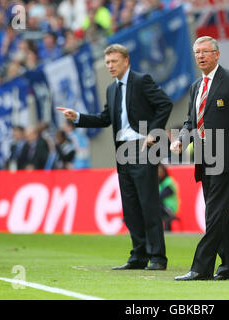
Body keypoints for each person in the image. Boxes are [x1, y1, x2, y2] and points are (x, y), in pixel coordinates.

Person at [57, 43, 173, 271]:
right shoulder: (112, 89)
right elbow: (104, 118)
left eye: (114, 61)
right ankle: (138, 256)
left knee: (148, 204)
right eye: (107, 62)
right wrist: (78, 117)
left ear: (126, 61)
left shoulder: (142, 81)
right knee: (130, 207)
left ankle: (158, 258)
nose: (110, 66)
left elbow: (165, 104)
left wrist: (153, 132)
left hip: (143, 147)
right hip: (123, 151)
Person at [170, 36, 229, 281]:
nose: (200, 56)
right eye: (197, 52)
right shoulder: (196, 86)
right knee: (219, 213)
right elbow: (191, 120)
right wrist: (181, 139)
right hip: (204, 157)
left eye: (205, 51)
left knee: (215, 213)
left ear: (217, 54)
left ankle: (201, 268)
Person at [158, 163, 179, 231]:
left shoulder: (169, 181)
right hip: (162, 206)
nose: (159, 173)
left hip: (169, 208)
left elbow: (161, 196)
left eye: (160, 171)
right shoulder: (158, 182)